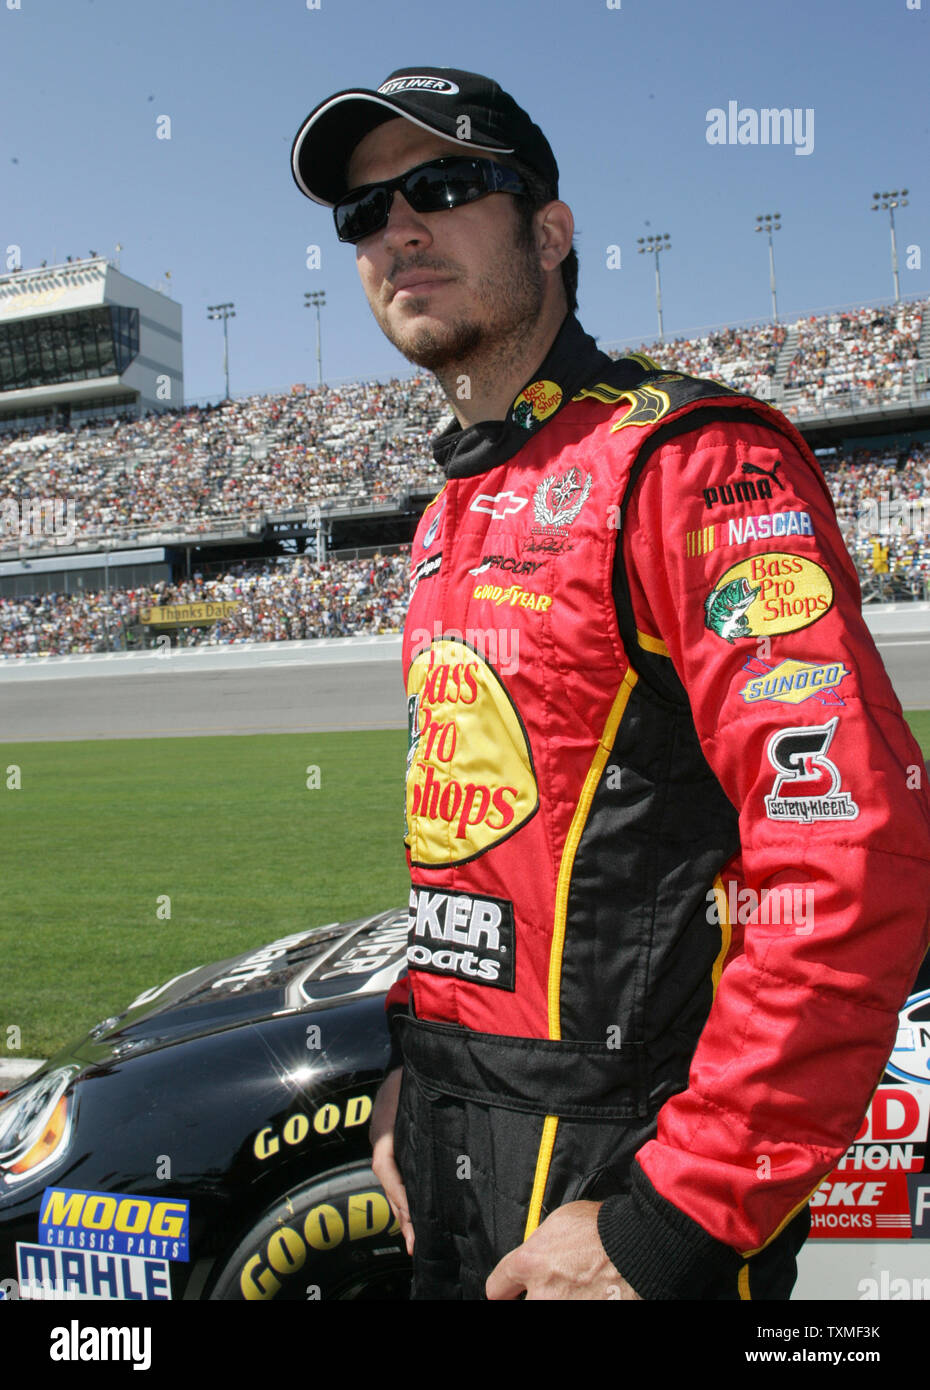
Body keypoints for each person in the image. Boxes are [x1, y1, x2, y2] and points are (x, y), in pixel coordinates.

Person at [290, 67, 930, 1300]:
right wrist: (414, 1076)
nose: (396, 230)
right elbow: (480, 847)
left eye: (443, 186)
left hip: (626, 1172)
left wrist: (676, 1218)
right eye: (362, 215)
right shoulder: (449, 511)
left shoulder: (691, 462)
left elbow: (849, 847)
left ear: (550, 229)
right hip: (454, 1144)